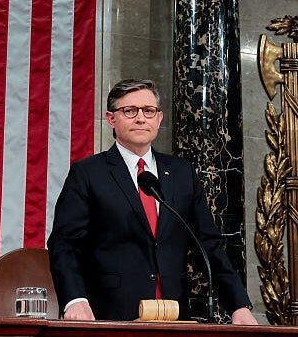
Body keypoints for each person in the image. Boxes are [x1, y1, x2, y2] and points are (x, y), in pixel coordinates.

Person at [48, 79, 256, 324]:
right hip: (110, 316)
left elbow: (209, 245)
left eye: (148, 111)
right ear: (111, 119)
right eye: (129, 111)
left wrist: (238, 305)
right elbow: (64, 245)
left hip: (173, 317)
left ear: (159, 119)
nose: (140, 118)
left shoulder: (181, 174)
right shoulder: (88, 173)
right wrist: (75, 300)